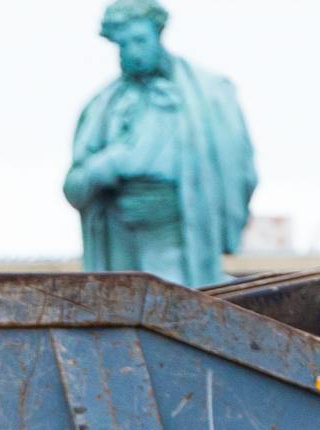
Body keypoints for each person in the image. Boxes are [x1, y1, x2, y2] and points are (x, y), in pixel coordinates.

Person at [63, 0, 256, 286]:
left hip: (180, 239)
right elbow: (74, 187)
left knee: (180, 312)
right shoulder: (102, 107)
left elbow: (240, 170)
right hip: (120, 245)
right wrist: (107, 165)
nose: (133, 53)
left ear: (158, 34)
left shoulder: (210, 94)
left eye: (140, 40)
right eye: (124, 45)